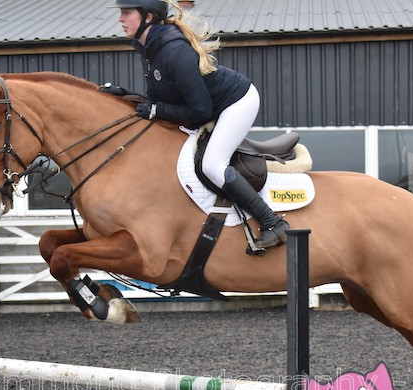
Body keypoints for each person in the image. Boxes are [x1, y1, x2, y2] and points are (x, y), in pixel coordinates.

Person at [105, 0, 289, 250]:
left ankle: (273, 223)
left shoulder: (174, 52)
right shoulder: (150, 48)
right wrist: (126, 95)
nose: (121, 19)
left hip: (237, 102)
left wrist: (157, 110)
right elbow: (157, 100)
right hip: (212, 105)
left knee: (213, 165)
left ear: (148, 17)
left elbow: (199, 111)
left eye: (127, 13)